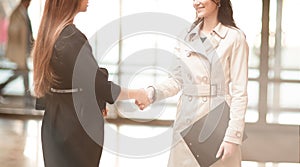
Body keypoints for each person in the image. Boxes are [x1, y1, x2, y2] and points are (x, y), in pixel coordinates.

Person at [31, 0, 149, 166]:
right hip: (75, 127)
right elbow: (98, 84)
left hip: (54, 121)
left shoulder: (49, 34)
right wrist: (136, 93)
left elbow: (73, 80)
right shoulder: (72, 38)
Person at [138, 0, 249, 166]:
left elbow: (240, 93)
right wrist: (152, 93)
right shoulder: (186, 35)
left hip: (216, 124)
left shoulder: (234, 37)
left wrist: (233, 136)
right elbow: (176, 80)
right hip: (186, 123)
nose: (196, 3)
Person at [0, 0, 34, 105]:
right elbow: (13, 31)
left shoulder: (24, 11)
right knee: (23, 72)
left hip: (23, 50)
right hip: (19, 50)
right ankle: (27, 99)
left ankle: (27, 98)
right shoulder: (17, 13)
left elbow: (28, 30)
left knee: (21, 72)